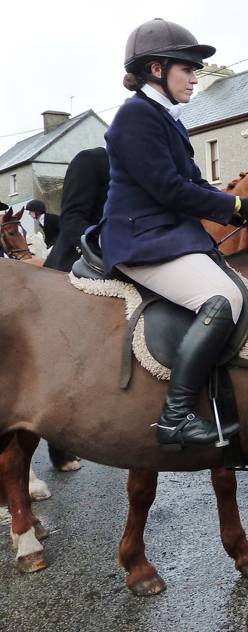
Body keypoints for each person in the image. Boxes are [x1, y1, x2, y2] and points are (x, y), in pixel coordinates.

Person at [102, 18, 248, 450]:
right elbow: (168, 188)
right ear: (157, 70)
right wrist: (236, 205)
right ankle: (173, 419)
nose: (195, 78)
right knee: (222, 299)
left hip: (168, 235)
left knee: (239, 287)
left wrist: (244, 212)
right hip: (141, 239)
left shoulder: (166, 118)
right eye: (188, 69)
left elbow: (194, 182)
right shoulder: (135, 117)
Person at [40, 147, 111, 470]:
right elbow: (72, 220)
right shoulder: (92, 160)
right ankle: (58, 447)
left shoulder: (148, 165)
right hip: (75, 266)